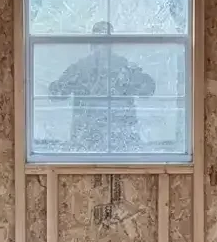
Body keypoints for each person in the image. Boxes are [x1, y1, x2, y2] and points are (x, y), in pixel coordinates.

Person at [48, 22, 154, 155]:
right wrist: (66, 84)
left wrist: (135, 81)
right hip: (88, 141)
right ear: (92, 44)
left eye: (105, 42)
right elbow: (55, 94)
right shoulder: (80, 68)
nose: (102, 47)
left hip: (120, 141)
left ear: (112, 45)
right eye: (99, 42)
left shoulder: (124, 67)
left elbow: (148, 90)